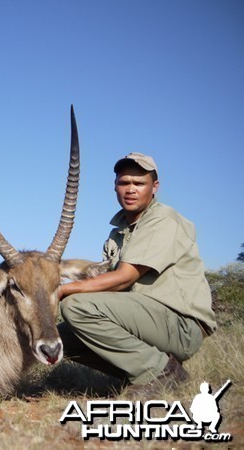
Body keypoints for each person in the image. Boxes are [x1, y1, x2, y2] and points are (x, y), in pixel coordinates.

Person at [57, 152, 216, 395]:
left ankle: (158, 372)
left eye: (139, 183)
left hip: (182, 326)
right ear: (115, 186)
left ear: (154, 187)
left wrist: (60, 291)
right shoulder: (118, 233)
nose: (130, 189)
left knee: (76, 307)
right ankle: (140, 372)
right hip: (147, 321)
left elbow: (123, 278)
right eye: (124, 182)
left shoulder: (163, 219)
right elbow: (100, 280)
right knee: (61, 338)